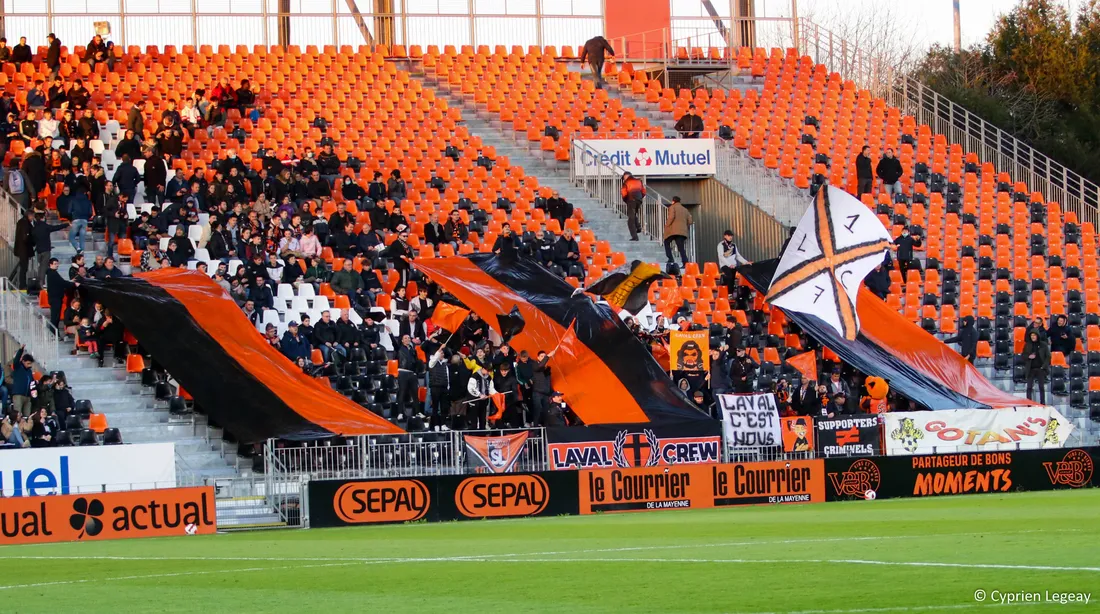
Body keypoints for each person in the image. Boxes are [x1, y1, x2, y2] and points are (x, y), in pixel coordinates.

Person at [32, 212, 69, 288]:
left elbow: (33, 239)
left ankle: (42, 281)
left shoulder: (34, 228)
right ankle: (41, 283)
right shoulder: (45, 226)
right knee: (44, 267)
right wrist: (66, 224)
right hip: (46, 250)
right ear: (43, 218)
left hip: (39, 250)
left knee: (41, 266)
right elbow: (55, 228)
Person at [395, 334, 422, 422]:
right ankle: (400, 413)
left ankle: (418, 412)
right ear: (402, 340)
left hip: (412, 373)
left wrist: (416, 373)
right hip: (403, 372)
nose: (407, 339)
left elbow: (416, 361)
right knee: (402, 393)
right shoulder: (399, 348)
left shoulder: (413, 350)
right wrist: (391, 333)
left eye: (408, 338)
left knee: (415, 394)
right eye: (405, 338)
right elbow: (393, 342)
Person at [662, 196, 692, 268]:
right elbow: (690, 221)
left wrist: (667, 225)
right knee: (681, 247)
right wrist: (685, 226)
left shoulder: (672, 207)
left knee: (666, 242)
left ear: (673, 201)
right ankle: (685, 262)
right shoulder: (685, 210)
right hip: (682, 232)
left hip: (673, 231)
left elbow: (671, 217)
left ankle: (670, 258)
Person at [45, 257, 74, 328]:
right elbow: (62, 282)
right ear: (50, 264)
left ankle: (54, 332)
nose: (57, 265)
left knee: (56, 317)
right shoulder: (52, 273)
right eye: (55, 264)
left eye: (57, 264)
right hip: (55, 299)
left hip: (56, 298)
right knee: (55, 317)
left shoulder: (53, 273)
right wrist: (73, 284)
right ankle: (53, 333)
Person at [1023, 330, 1050, 404]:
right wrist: (1029, 356)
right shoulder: (1027, 345)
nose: (1033, 337)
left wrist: (1043, 366)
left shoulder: (1043, 344)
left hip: (1040, 369)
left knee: (1041, 387)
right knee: (1029, 387)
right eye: (1031, 335)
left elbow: (1048, 356)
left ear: (1037, 336)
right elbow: (1023, 356)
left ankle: (1042, 403)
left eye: (1034, 335)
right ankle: (1029, 403)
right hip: (1030, 369)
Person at [11, 209, 34, 290]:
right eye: (32, 216)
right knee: (24, 268)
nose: (33, 218)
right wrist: (32, 242)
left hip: (22, 249)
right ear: (29, 215)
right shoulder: (25, 223)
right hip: (24, 249)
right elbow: (26, 237)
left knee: (23, 267)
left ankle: (23, 284)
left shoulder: (21, 222)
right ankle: (23, 285)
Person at [10, 346, 35, 417]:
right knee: (17, 415)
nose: (29, 365)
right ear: (23, 361)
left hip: (27, 396)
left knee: (27, 416)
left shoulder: (29, 371)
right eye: (28, 363)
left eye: (30, 364)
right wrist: (21, 350)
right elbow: (16, 360)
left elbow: (32, 382)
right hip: (18, 395)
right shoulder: (18, 367)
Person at [621, 172, 645, 242]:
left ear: (626, 176)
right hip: (639, 201)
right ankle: (638, 227)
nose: (623, 179)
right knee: (633, 215)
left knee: (630, 221)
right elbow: (643, 191)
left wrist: (626, 200)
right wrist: (640, 198)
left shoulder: (626, 182)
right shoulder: (638, 181)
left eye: (624, 177)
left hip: (631, 200)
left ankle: (635, 237)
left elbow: (624, 193)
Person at [67, 188, 92, 252]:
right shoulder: (88, 201)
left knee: (71, 237)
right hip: (84, 220)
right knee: (82, 238)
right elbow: (90, 213)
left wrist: (71, 219)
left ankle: (77, 247)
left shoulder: (73, 200)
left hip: (76, 220)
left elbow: (69, 211)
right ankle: (81, 252)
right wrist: (86, 217)